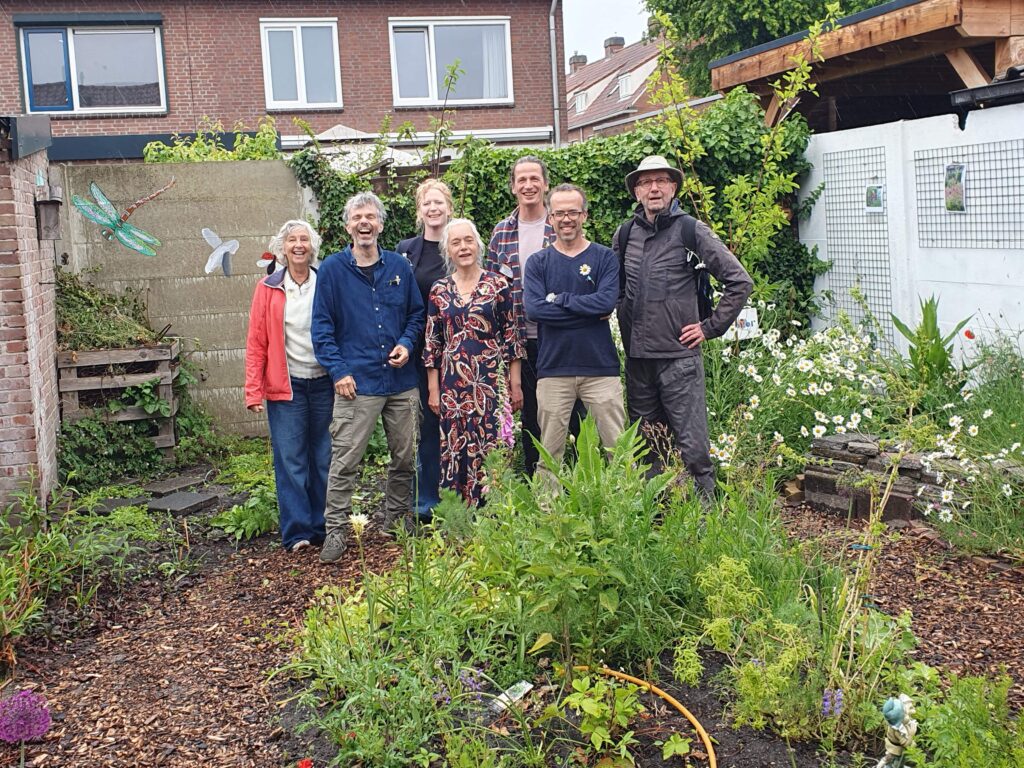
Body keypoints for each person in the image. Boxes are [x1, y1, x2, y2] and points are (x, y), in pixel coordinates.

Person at [614, 155, 753, 497]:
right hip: (638, 362)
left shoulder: (690, 229)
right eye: (646, 182)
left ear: (673, 187)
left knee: (692, 447)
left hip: (679, 360)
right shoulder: (625, 233)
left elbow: (739, 281)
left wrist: (709, 328)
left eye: (661, 180)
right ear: (636, 192)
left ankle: (705, 519)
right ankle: (659, 514)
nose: (654, 188)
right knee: (648, 447)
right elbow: (615, 287)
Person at [312, 192, 424, 563]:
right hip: (355, 383)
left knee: (405, 456)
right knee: (345, 460)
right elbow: (322, 328)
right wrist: (338, 370)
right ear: (348, 226)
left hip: (401, 382)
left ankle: (397, 518)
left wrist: (407, 343)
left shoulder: (399, 267)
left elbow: (416, 315)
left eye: (371, 217)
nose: (365, 223)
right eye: (358, 217)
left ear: (380, 224)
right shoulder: (331, 269)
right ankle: (336, 532)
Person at [485, 155, 583, 475]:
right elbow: (492, 289)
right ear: (513, 187)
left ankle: (580, 479)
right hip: (520, 343)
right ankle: (534, 483)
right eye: (521, 180)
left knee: (572, 412)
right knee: (529, 415)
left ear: (545, 184)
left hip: (561, 338)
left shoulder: (560, 225)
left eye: (534, 179)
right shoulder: (501, 232)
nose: (528, 185)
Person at [244, 220, 332, 553]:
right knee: (291, 461)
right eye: (292, 240)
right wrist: (253, 390)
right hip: (287, 387)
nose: (298, 245)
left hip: (325, 384)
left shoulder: (326, 282)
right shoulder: (267, 287)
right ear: (283, 248)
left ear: (313, 247)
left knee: (323, 457)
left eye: (304, 240)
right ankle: (298, 534)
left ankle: (324, 527)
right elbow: (256, 342)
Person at [523, 184, 625, 470]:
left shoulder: (604, 258)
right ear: (550, 218)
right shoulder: (538, 263)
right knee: (549, 456)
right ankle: (549, 513)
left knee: (618, 451)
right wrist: (587, 311)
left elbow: (606, 303)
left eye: (573, 212)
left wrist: (560, 300)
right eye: (559, 213)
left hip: (601, 370)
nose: (566, 219)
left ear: (585, 216)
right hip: (554, 370)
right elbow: (535, 310)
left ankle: (624, 512)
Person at [424, 219, 525, 506]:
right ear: (448, 250)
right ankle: (459, 518)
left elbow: (511, 337)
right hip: (453, 384)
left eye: (468, 240)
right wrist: (433, 389)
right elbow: (433, 342)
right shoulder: (439, 290)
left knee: (490, 444)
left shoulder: (498, 284)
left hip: (491, 382)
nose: (463, 247)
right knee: (455, 447)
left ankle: (494, 515)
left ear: (478, 245)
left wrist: (514, 384)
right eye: (455, 242)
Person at [396, 179, 453, 523]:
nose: (433, 209)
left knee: (462, 427)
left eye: (439, 203)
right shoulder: (407, 250)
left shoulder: (461, 242)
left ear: (449, 208)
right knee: (427, 427)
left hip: (461, 352)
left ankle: (461, 494)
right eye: (426, 204)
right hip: (421, 353)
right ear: (419, 211)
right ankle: (427, 500)